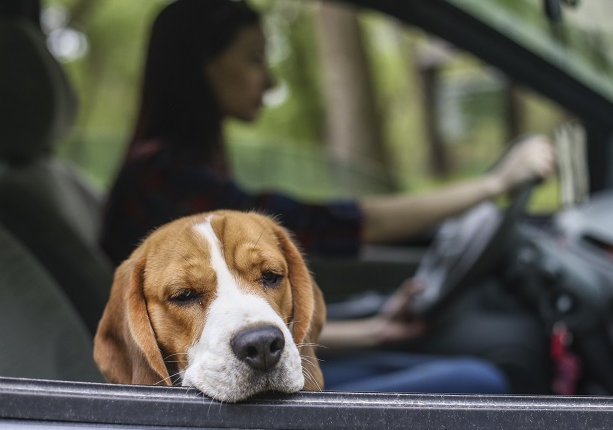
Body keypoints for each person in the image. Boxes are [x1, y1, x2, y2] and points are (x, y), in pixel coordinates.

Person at [100, 0, 555, 394]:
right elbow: (336, 223)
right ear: (200, 65)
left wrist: (373, 331)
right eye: (254, 58)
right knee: (483, 381)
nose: (271, 80)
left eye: (270, 275)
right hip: (211, 382)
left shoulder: (182, 167)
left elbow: (248, 311)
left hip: (261, 367)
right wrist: (493, 185)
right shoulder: (166, 177)